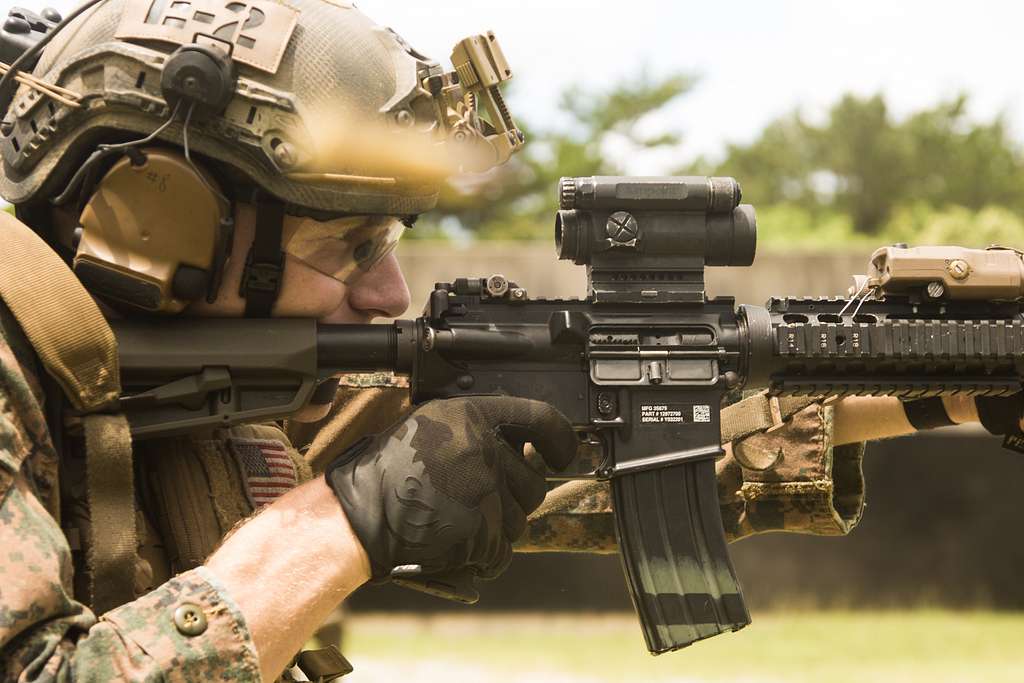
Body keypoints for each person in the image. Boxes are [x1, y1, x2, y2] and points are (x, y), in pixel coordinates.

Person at [0, 1, 1018, 682]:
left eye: (392, 242)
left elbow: (616, 459)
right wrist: (337, 524)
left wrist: (949, 384)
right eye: (348, 246)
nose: (390, 288)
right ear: (158, 217)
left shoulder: (217, 388)